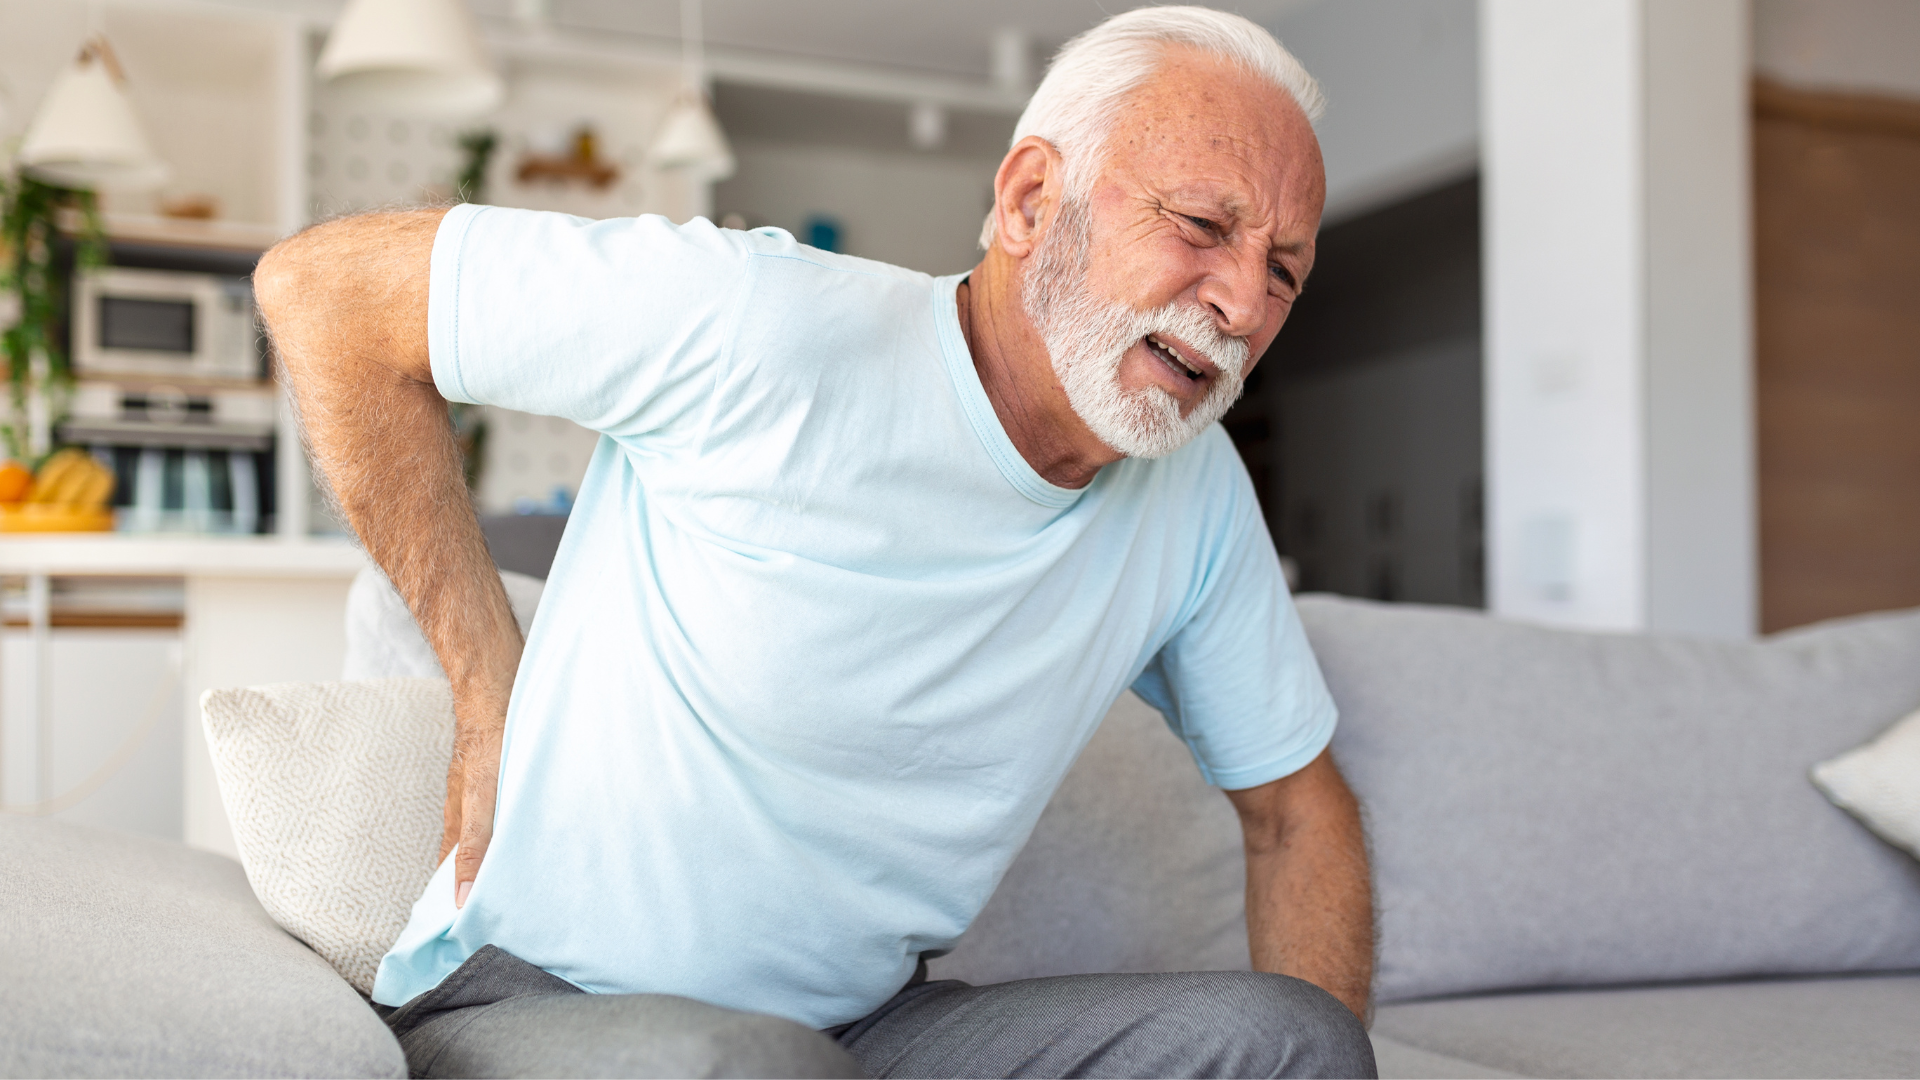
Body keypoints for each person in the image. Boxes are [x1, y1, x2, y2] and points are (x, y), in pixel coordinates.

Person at [257, 6, 1375, 1077]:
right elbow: (323, 294)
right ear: (1034, 199)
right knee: (747, 1065)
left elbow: (1295, 809)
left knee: (1290, 1040)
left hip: (869, 1031)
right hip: (541, 1000)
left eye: (1284, 269)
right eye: (1201, 225)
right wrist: (486, 686)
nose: (1239, 302)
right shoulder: (755, 319)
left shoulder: (1197, 495)